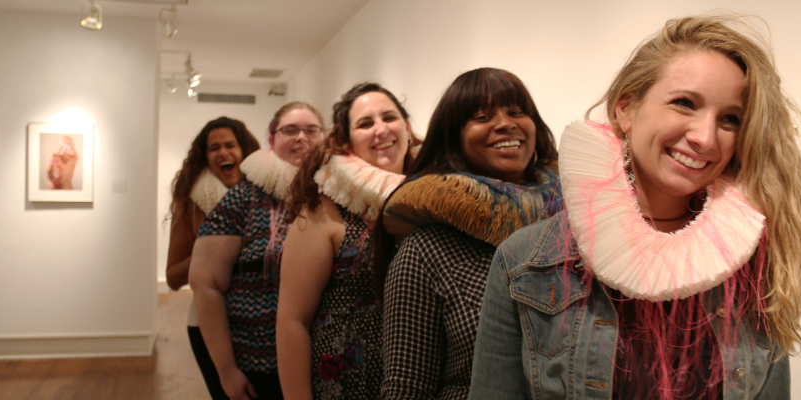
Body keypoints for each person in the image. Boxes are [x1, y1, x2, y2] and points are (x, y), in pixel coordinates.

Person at [469, 15, 801, 400]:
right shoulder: (525, 262)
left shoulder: (755, 261)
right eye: (684, 103)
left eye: (730, 119)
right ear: (626, 108)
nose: (705, 137)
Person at [373, 68, 561, 400]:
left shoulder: (575, 226)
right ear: (453, 137)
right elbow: (406, 387)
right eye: (482, 116)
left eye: (517, 112)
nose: (505, 123)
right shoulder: (426, 250)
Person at [276, 83, 417, 400]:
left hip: (420, 379)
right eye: (365, 124)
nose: (381, 130)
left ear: (407, 128)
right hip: (348, 385)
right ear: (346, 140)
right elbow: (292, 320)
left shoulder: (436, 197)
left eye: (389, 118)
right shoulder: (324, 207)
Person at [188, 103, 324, 400]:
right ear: (272, 140)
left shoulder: (339, 196)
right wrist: (226, 370)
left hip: (327, 365)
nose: (301, 138)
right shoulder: (244, 198)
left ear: (324, 139)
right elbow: (205, 284)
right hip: (258, 364)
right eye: (290, 130)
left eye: (311, 130)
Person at [165, 116, 261, 400]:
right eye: (214, 147)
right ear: (204, 158)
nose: (223, 152)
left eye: (231, 145)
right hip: (207, 322)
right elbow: (172, 278)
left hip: (260, 321)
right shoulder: (192, 204)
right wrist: (211, 245)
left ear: (245, 152)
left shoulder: (266, 198)